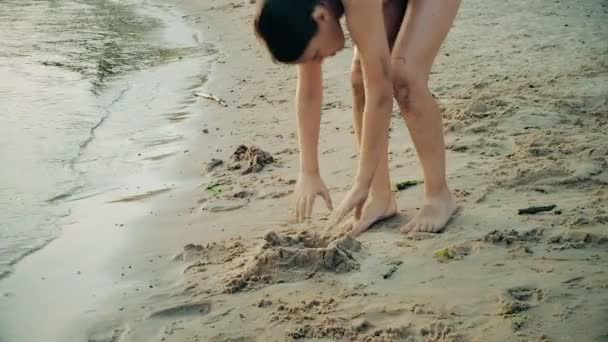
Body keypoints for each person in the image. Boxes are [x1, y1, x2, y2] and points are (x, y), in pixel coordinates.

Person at [253, 0, 461, 236]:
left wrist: (361, 182)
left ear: (322, 16)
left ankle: (438, 196)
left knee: (404, 78)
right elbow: (310, 93)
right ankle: (380, 197)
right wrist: (308, 171)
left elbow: (381, 93)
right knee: (360, 80)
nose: (319, 61)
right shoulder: (299, 10)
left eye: (316, 55)